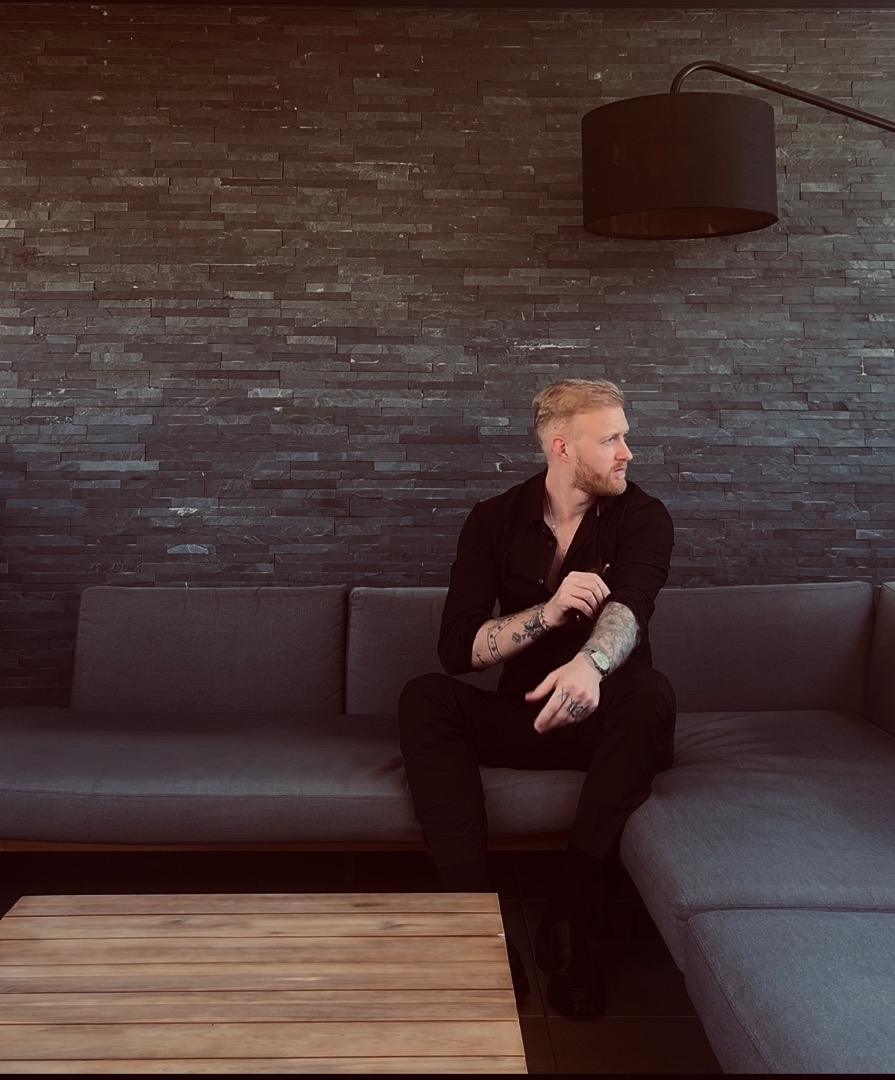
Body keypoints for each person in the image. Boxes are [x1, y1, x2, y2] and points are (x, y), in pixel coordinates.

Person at [398, 377, 676, 1017]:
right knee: (425, 698)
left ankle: (565, 920)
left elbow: (632, 605)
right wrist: (548, 613)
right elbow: (457, 649)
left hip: (612, 726)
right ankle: (476, 925)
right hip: (528, 717)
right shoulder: (494, 520)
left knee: (650, 694)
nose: (627, 452)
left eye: (625, 436)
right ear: (562, 447)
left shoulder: (644, 516)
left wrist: (590, 665)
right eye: (610, 439)